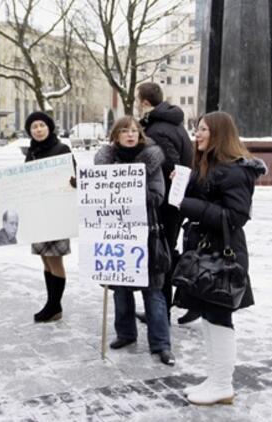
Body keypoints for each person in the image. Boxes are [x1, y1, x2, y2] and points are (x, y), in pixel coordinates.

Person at [176, 111, 266, 405]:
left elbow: (237, 216)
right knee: (209, 317)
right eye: (197, 128)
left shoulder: (234, 170)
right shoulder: (211, 165)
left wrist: (189, 204)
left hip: (222, 255)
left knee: (219, 318)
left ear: (219, 134)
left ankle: (223, 384)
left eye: (203, 129)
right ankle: (215, 379)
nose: (197, 134)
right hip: (206, 251)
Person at [94, 116, 175, 366]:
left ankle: (161, 343)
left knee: (153, 291)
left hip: (146, 232)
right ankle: (126, 333)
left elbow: (157, 196)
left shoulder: (152, 160)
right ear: (115, 135)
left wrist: (126, 189)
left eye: (134, 131)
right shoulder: (105, 162)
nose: (130, 135)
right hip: (116, 233)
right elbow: (95, 195)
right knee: (120, 289)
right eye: (124, 131)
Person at [135, 82, 195, 325]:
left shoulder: (158, 130)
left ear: (146, 103)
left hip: (165, 203)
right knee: (167, 253)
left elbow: (169, 164)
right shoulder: (174, 124)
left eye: (139, 100)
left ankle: (161, 313)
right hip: (175, 201)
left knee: (162, 257)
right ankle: (161, 310)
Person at [24, 111, 74, 322]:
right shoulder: (32, 152)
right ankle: (52, 304)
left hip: (57, 213)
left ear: (49, 127)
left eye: (41, 125)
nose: (38, 130)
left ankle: (54, 306)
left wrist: (73, 181)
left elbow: (74, 176)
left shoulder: (61, 149)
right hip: (38, 213)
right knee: (45, 259)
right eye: (34, 127)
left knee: (55, 260)